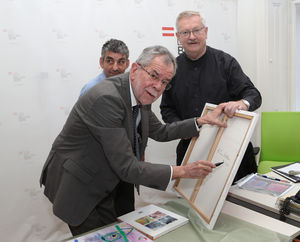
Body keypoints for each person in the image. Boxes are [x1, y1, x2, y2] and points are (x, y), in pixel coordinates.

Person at [40, 45, 228, 236]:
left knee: (119, 232)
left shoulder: (140, 95)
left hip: (109, 180)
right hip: (80, 185)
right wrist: (184, 171)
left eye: (165, 82)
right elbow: (127, 167)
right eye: (154, 76)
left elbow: (161, 131)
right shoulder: (107, 98)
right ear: (136, 69)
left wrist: (199, 122)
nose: (158, 87)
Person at [160, 11, 262, 182]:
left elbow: (254, 95)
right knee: (191, 205)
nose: (192, 37)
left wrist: (241, 104)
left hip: (231, 147)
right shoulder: (172, 69)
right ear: (178, 36)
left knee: (241, 204)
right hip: (191, 149)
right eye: (185, 32)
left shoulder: (226, 62)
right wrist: (182, 128)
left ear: (206, 32)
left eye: (196, 30)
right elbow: (166, 109)